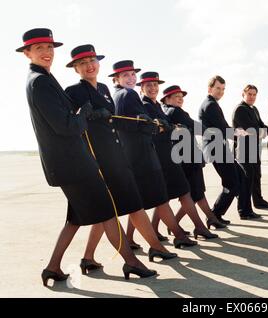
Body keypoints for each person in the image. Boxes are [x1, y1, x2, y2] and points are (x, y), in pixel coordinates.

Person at [18, 29, 156, 285]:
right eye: (39, 49)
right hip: (72, 164)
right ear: (27, 53)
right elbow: (67, 126)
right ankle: (132, 261)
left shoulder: (43, 78)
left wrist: (84, 114)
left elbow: (67, 120)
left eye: (49, 47)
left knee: (76, 219)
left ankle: (52, 267)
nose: (46, 53)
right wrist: (85, 112)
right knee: (106, 211)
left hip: (68, 163)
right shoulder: (39, 81)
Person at [65, 45, 177, 267]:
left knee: (108, 211)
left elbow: (114, 120)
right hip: (98, 159)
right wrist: (91, 116)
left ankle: (88, 258)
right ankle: (155, 248)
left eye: (92, 61)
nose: (89, 66)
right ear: (76, 68)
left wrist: (149, 124)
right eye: (83, 63)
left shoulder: (105, 89)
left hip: (115, 154)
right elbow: (71, 124)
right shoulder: (73, 91)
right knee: (131, 205)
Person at [111, 61, 197, 249]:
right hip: (143, 155)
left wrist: (160, 125)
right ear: (116, 79)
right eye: (125, 75)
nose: (130, 78)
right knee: (159, 199)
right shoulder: (128, 94)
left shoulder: (119, 96)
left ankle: (131, 240)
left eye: (132, 74)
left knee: (139, 203)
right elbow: (142, 125)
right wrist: (157, 125)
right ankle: (176, 236)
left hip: (134, 155)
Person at [137, 76, 218, 240]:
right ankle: (196, 228)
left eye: (155, 84)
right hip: (167, 157)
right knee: (184, 193)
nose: (153, 88)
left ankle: (183, 228)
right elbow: (187, 127)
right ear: (141, 88)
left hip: (171, 156)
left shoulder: (158, 106)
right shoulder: (150, 106)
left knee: (165, 197)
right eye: (148, 85)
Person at [161, 85, 227, 230]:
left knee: (192, 194)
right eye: (176, 96)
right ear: (167, 99)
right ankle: (209, 220)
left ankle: (207, 219)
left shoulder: (167, 112)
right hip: (189, 158)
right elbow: (194, 125)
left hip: (183, 157)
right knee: (195, 193)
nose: (180, 99)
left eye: (181, 97)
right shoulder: (176, 112)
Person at [199, 76, 240, 225]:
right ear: (210, 89)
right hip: (216, 149)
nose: (221, 92)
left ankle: (216, 214)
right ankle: (214, 215)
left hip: (218, 148)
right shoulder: (210, 105)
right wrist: (241, 135)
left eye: (223, 89)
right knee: (232, 183)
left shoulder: (212, 104)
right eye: (218, 88)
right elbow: (224, 128)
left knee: (235, 179)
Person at [232, 84, 266, 220]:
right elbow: (250, 130)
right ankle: (244, 211)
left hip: (254, 149)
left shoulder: (254, 109)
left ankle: (258, 202)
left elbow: (261, 125)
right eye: (249, 94)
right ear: (243, 94)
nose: (252, 97)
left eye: (254, 94)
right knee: (246, 180)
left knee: (256, 176)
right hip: (243, 150)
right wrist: (264, 133)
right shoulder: (240, 109)